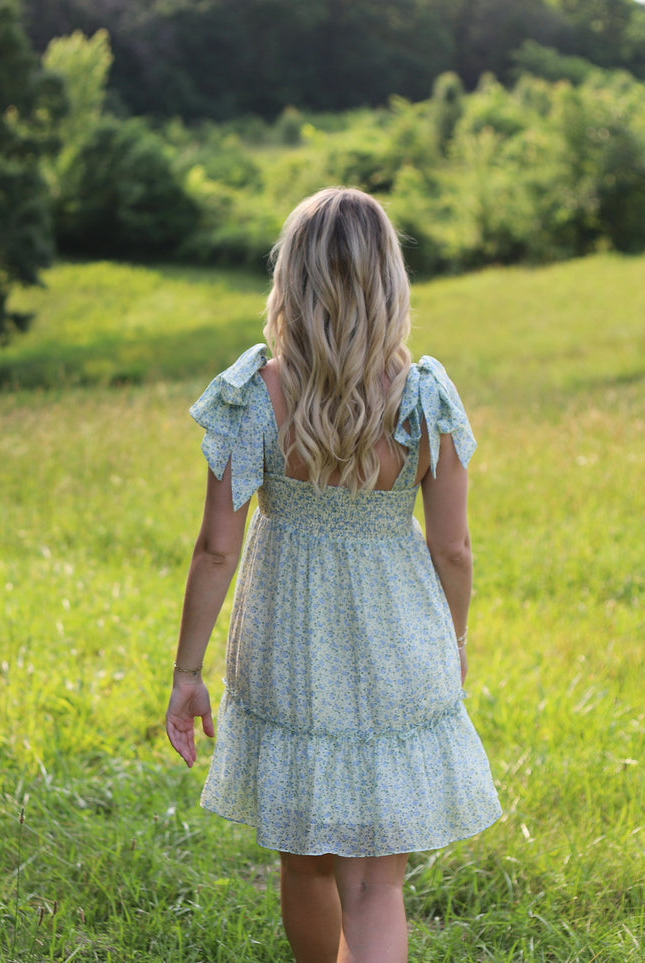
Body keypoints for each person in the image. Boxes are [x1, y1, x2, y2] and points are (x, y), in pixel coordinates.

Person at [165, 187, 502, 962]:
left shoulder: (253, 396)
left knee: (304, 861)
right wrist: (451, 637)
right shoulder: (423, 399)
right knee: (376, 884)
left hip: (287, 645)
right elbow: (453, 548)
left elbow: (215, 548)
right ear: (390, 280)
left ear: (291, 279)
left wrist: (188, 670)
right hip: (397, 641)